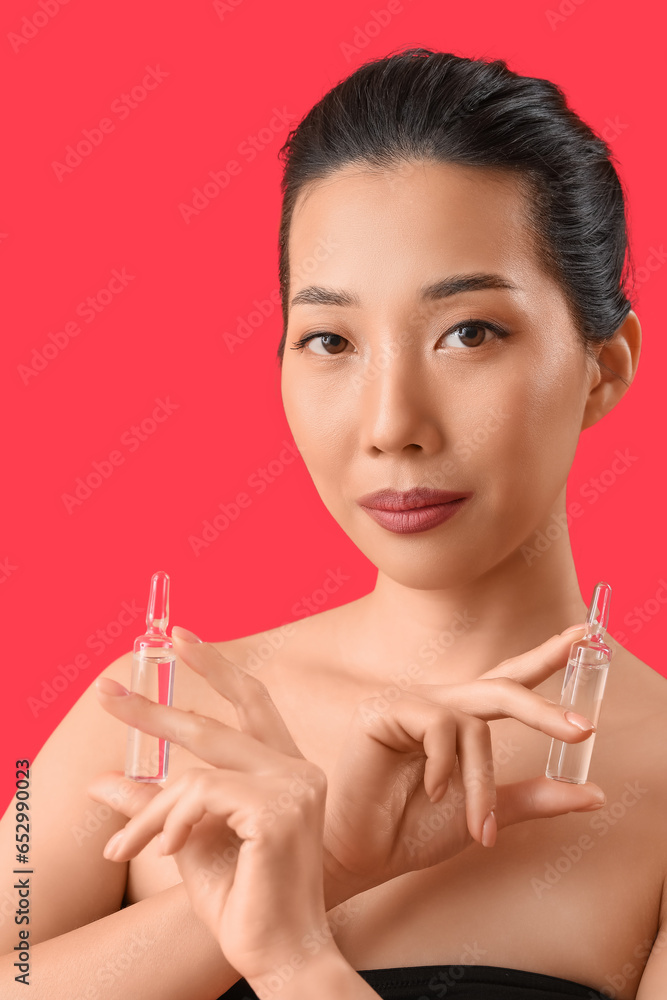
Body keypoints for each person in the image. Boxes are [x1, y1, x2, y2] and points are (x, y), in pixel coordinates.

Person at [1, 46, 664, 1000]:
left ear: (601, 367)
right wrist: (322, 866)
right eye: (330, 341)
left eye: (467, 333)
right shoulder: (155, 715)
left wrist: (296, 957)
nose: (392, 423)